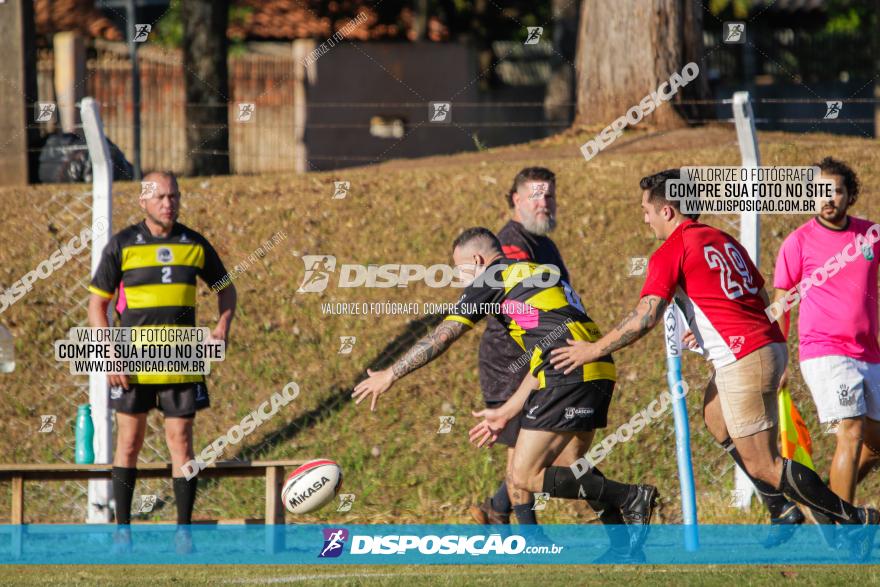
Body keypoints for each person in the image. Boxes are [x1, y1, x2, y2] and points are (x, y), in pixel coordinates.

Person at [550, 169, 879, 549]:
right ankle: (781, 511)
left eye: (646, 209)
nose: (644, 217)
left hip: (745, 356)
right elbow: (754, 290)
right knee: (715, 416)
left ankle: (852, 517)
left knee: (765, 465)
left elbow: (646, 317)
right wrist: (711, 325)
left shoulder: (671, 249)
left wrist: (592, 350)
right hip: (764, 345)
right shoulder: (722, 239)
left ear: (668, 210)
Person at [353, 227, 658, 554]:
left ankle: (631, 496)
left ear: (478, 260)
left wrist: (391, 373)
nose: (460, 281)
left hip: (565, 372)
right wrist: (509, 409)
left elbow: (443, 335)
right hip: (595, 367)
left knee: (524, 476)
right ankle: (624, 545)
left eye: (460, 271)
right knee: (573, 465)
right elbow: (548, 344)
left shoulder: (492, 277)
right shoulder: (537, 274)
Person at [87, 171, 237, 552]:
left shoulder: (195, 244)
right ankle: (123, 532)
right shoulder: (122, 245)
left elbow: (226, 288)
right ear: (143, 201)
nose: (168, 203)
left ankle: (183, 533)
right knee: (129, 444)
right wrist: (110, 354)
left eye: (174, 196)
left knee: (181, 445)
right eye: (160, 197)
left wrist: (221, 326)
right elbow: (97, 305)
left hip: (181, 362)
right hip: (132, 364)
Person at [471, 167, 586, 527]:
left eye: (549, 195)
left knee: (556, 451)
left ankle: (497, 508)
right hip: (510, 361)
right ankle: (526, 536)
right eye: (536, 195)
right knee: (522, 453)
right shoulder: (511, 244)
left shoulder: (545, 243)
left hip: (544, 353)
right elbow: (523, 307)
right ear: (515, 199)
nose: (544, 203)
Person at [772, 157, 880, 524]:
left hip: (869, 352)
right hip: (825, 351)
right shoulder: (798, 241)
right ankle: (845, 534)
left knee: (876, 443)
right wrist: (779, 354)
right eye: (820, 192)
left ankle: (827, 505)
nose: (828, 198)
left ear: (850, 195)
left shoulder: (871, 235)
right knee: (850, 430)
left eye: (836, 190)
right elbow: (781, 300)